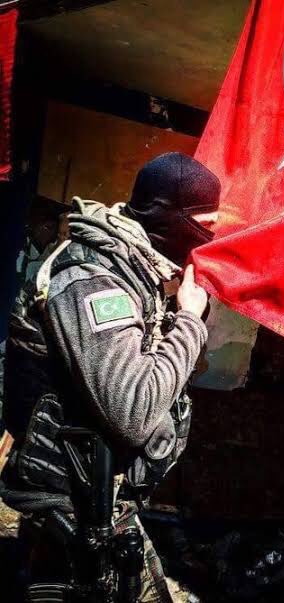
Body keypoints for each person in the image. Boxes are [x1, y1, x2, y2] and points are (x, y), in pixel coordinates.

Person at [0, 152, 221, 602]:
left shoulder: (135, 271)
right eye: (205, 224)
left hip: (100, 499)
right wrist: (190, 322)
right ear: (166, 215)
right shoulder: (93, 280)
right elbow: (132, 412)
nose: (210, 237)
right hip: (65, 504)